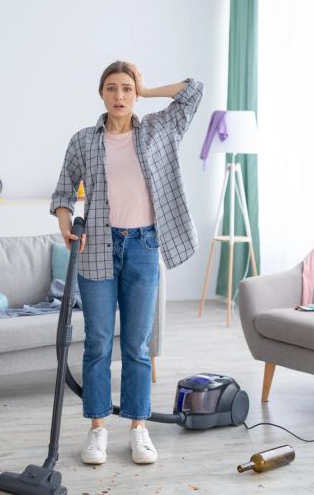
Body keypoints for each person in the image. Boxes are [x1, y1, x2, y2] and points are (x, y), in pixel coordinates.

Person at [50, 61, 203, 464]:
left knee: (137, 345)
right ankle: (97, 429)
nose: (120, 96)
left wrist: (147, 88)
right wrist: (67, 227)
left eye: (127, 89)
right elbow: (63, 193)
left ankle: (138, 428)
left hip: (143, 246)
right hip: (97, 246)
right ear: (101, 93)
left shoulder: (158, 129)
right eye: (112, 88)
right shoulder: (83, 140)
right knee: (99, 344)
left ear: (134, 94)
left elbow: (194, 90)